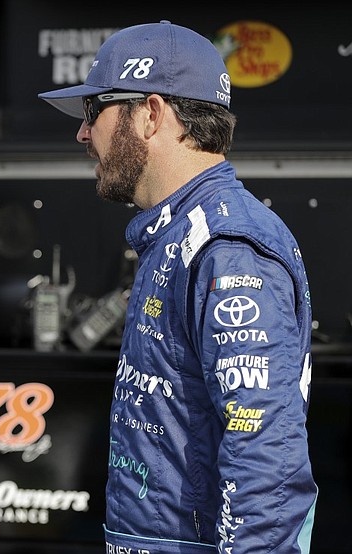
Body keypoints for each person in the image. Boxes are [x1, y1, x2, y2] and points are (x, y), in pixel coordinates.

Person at [39, 20, 317, 553]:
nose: (81, 133)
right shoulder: (176, 234)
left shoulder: (225, 247)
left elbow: (266, 456)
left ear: (150, 113)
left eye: (94, 111)